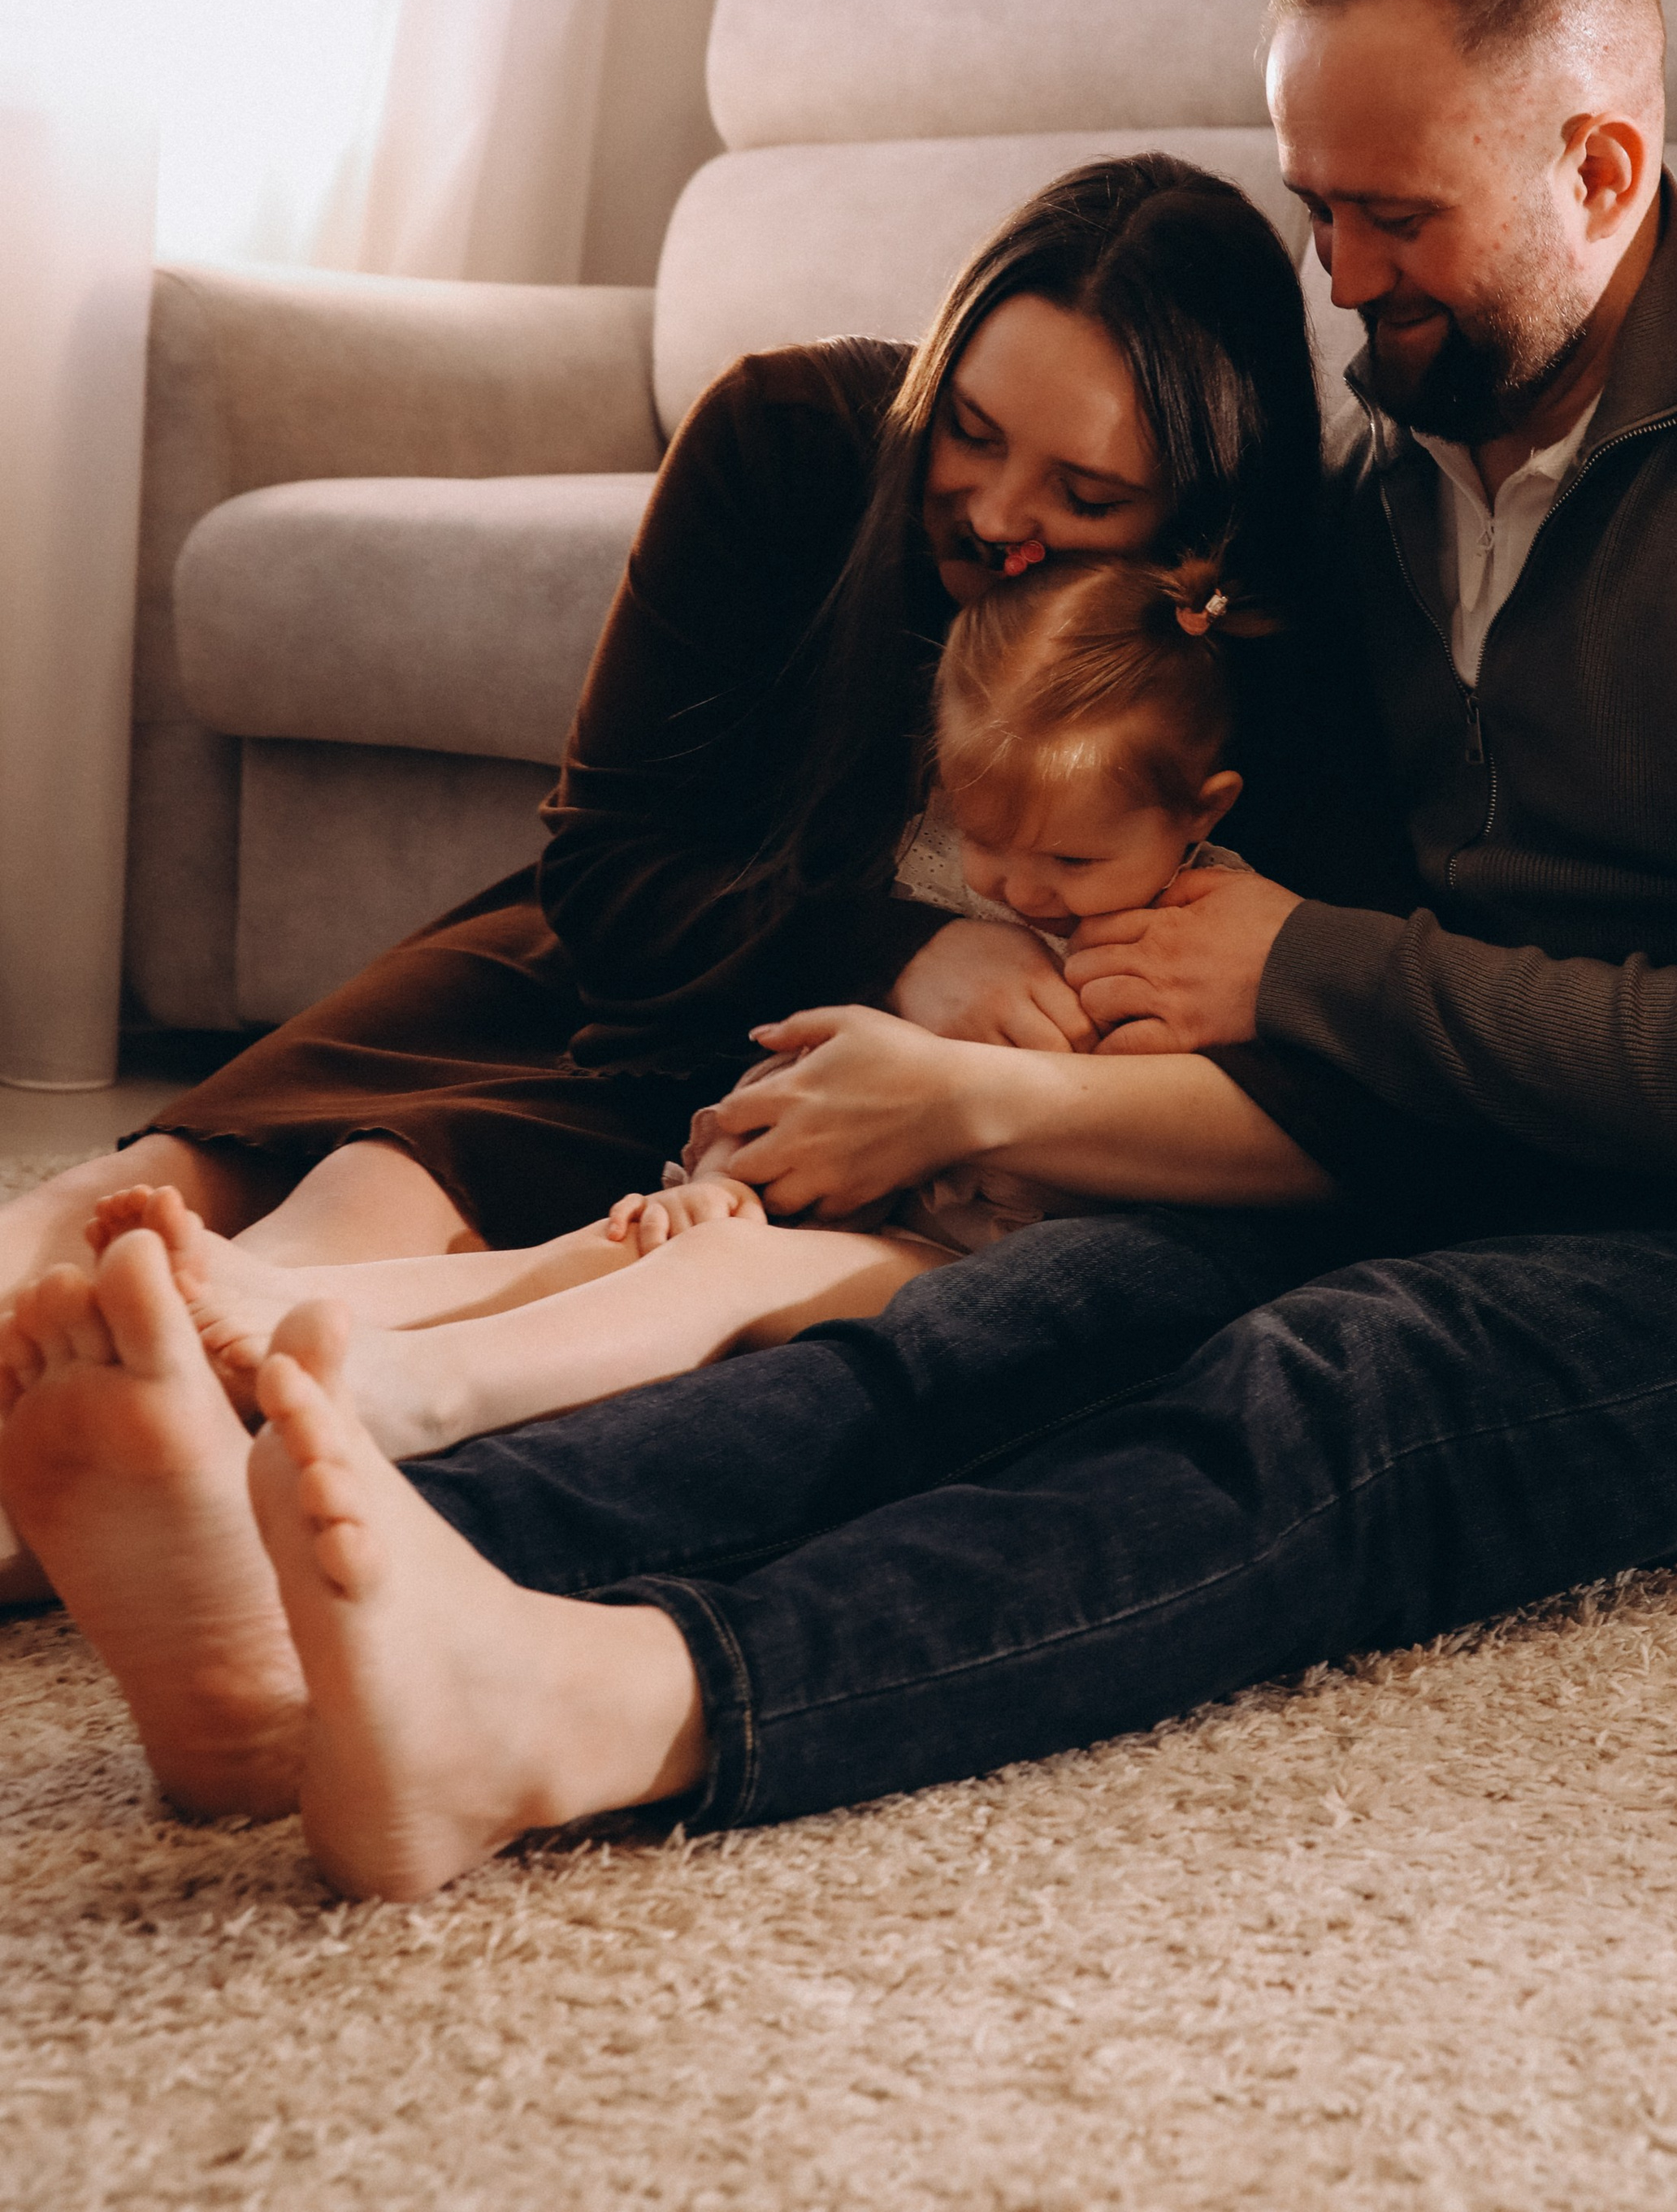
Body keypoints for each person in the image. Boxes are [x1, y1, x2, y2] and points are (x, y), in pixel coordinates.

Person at [3, 0, 1677, 1907]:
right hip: (1502, 1142)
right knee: (1031, 1309)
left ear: (1600, 170)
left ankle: (604, 1701)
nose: (1340, 275)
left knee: (1324, 1395)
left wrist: (1302, 967)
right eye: (1312, 205)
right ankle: (358, 1568)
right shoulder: (1375, 486)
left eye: (1394, 216)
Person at [0, 150, 1357, 1592]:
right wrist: (905, 954)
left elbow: (1305, 1054)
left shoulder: (1256, 641)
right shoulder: (791, 436)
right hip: (662, 938)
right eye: (968, 429)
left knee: (368, 1216)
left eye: (1084, 494)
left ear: (1199, 523)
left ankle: (103, 1497)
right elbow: (612, 866)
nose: (994, 514)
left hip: (791, 1094)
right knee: (160, 1189)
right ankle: (88, 1327)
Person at [85, 555, 1311, 1459]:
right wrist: (720, 1162)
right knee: (616, 1244)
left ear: (1203, 811)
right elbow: (807, 1068)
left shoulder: (1193, 954)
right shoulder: (953, 896)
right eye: (982, 840)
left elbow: (1163, 1166)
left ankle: (406, 1392)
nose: (1018, 888)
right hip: (859, 1212)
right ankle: (306, 1307)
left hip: (1000, 1265)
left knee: (699, 1284)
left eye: (1069, 865)